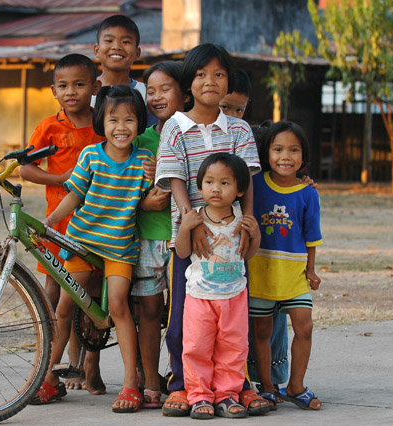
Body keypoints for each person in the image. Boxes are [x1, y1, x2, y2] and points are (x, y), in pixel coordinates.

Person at [155, 43, 268, 417]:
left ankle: (236, 387)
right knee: (183, 318)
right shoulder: (174, 126)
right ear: (189, 82)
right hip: (188, 238)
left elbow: (247, 182)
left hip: (231, 241)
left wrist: (248, 227)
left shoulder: (238, 129)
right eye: (201, 74)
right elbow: (174, 179)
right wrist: (192, 223)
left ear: (229, 83)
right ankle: (183, 386)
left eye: (219, 74)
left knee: (234, 322)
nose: (210, 82)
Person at [43, 85, 153, 413]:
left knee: (119, 305)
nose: (121, 127)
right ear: (101, 123)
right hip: (83, 242)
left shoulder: (144, 161)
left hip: (119, 248)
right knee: (65, 307)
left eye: (130, 120)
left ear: (140, 123)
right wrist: (51, 221)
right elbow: (74, 195)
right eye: (113, 120)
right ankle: (48, 378)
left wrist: (156, 178)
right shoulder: (90, 155)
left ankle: (131, 382)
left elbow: (149, 199)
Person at [20, 53, 106, 401]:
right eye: (63, 86)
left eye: (80, 84)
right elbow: (26, 169)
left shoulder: (103, 123)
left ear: (95, 87)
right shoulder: (48, 127)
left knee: (91, 299)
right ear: (53, 90)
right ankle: (51, 369)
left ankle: (89, 367)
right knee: (55, 296)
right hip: (58, 226)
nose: (72, 92)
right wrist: (61, 178)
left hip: (97, 225)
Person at [175, 153, 261, 419]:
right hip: (200, 297)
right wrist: (183, 229)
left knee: (233, 348)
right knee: (196, 347)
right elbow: (181, 252)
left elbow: (248, 254)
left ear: (240, 189)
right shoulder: (194, 219)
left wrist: (255, 234)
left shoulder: (241, 220)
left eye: (225, 183)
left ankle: (227, 395)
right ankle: (199, 396)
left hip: (234, 296)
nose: (216, 188)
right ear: (199, 186)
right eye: (209, 182)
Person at [249, 120, 323, 411]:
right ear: (266, 153)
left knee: (304, 326)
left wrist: (311, 270)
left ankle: (296, 385)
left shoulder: (308, 194)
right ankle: (267, 387)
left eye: (294, 150)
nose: (285, 156)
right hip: (260, 271)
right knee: (263, 330)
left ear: (303, 157)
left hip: (294, 273)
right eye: (278, 149)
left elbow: (312, 236)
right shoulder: (255, 184)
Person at [131, 61, 186, 408]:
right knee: (149, 311)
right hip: (149, 238)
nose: (156, 97)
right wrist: (147, 191)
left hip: (183, 238)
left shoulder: (193, 133)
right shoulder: (141, 140)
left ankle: (180, 376)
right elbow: (125, 190)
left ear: (184, 92)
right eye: (150, 90)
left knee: (181, 314)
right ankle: (151, 380)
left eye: (165, 89)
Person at [92, 14, 157, 126]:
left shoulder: (147, 94)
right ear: (97, 50)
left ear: (137, 53)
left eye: (126, 42)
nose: (117, 46)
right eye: (109, 40)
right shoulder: (86, 92)